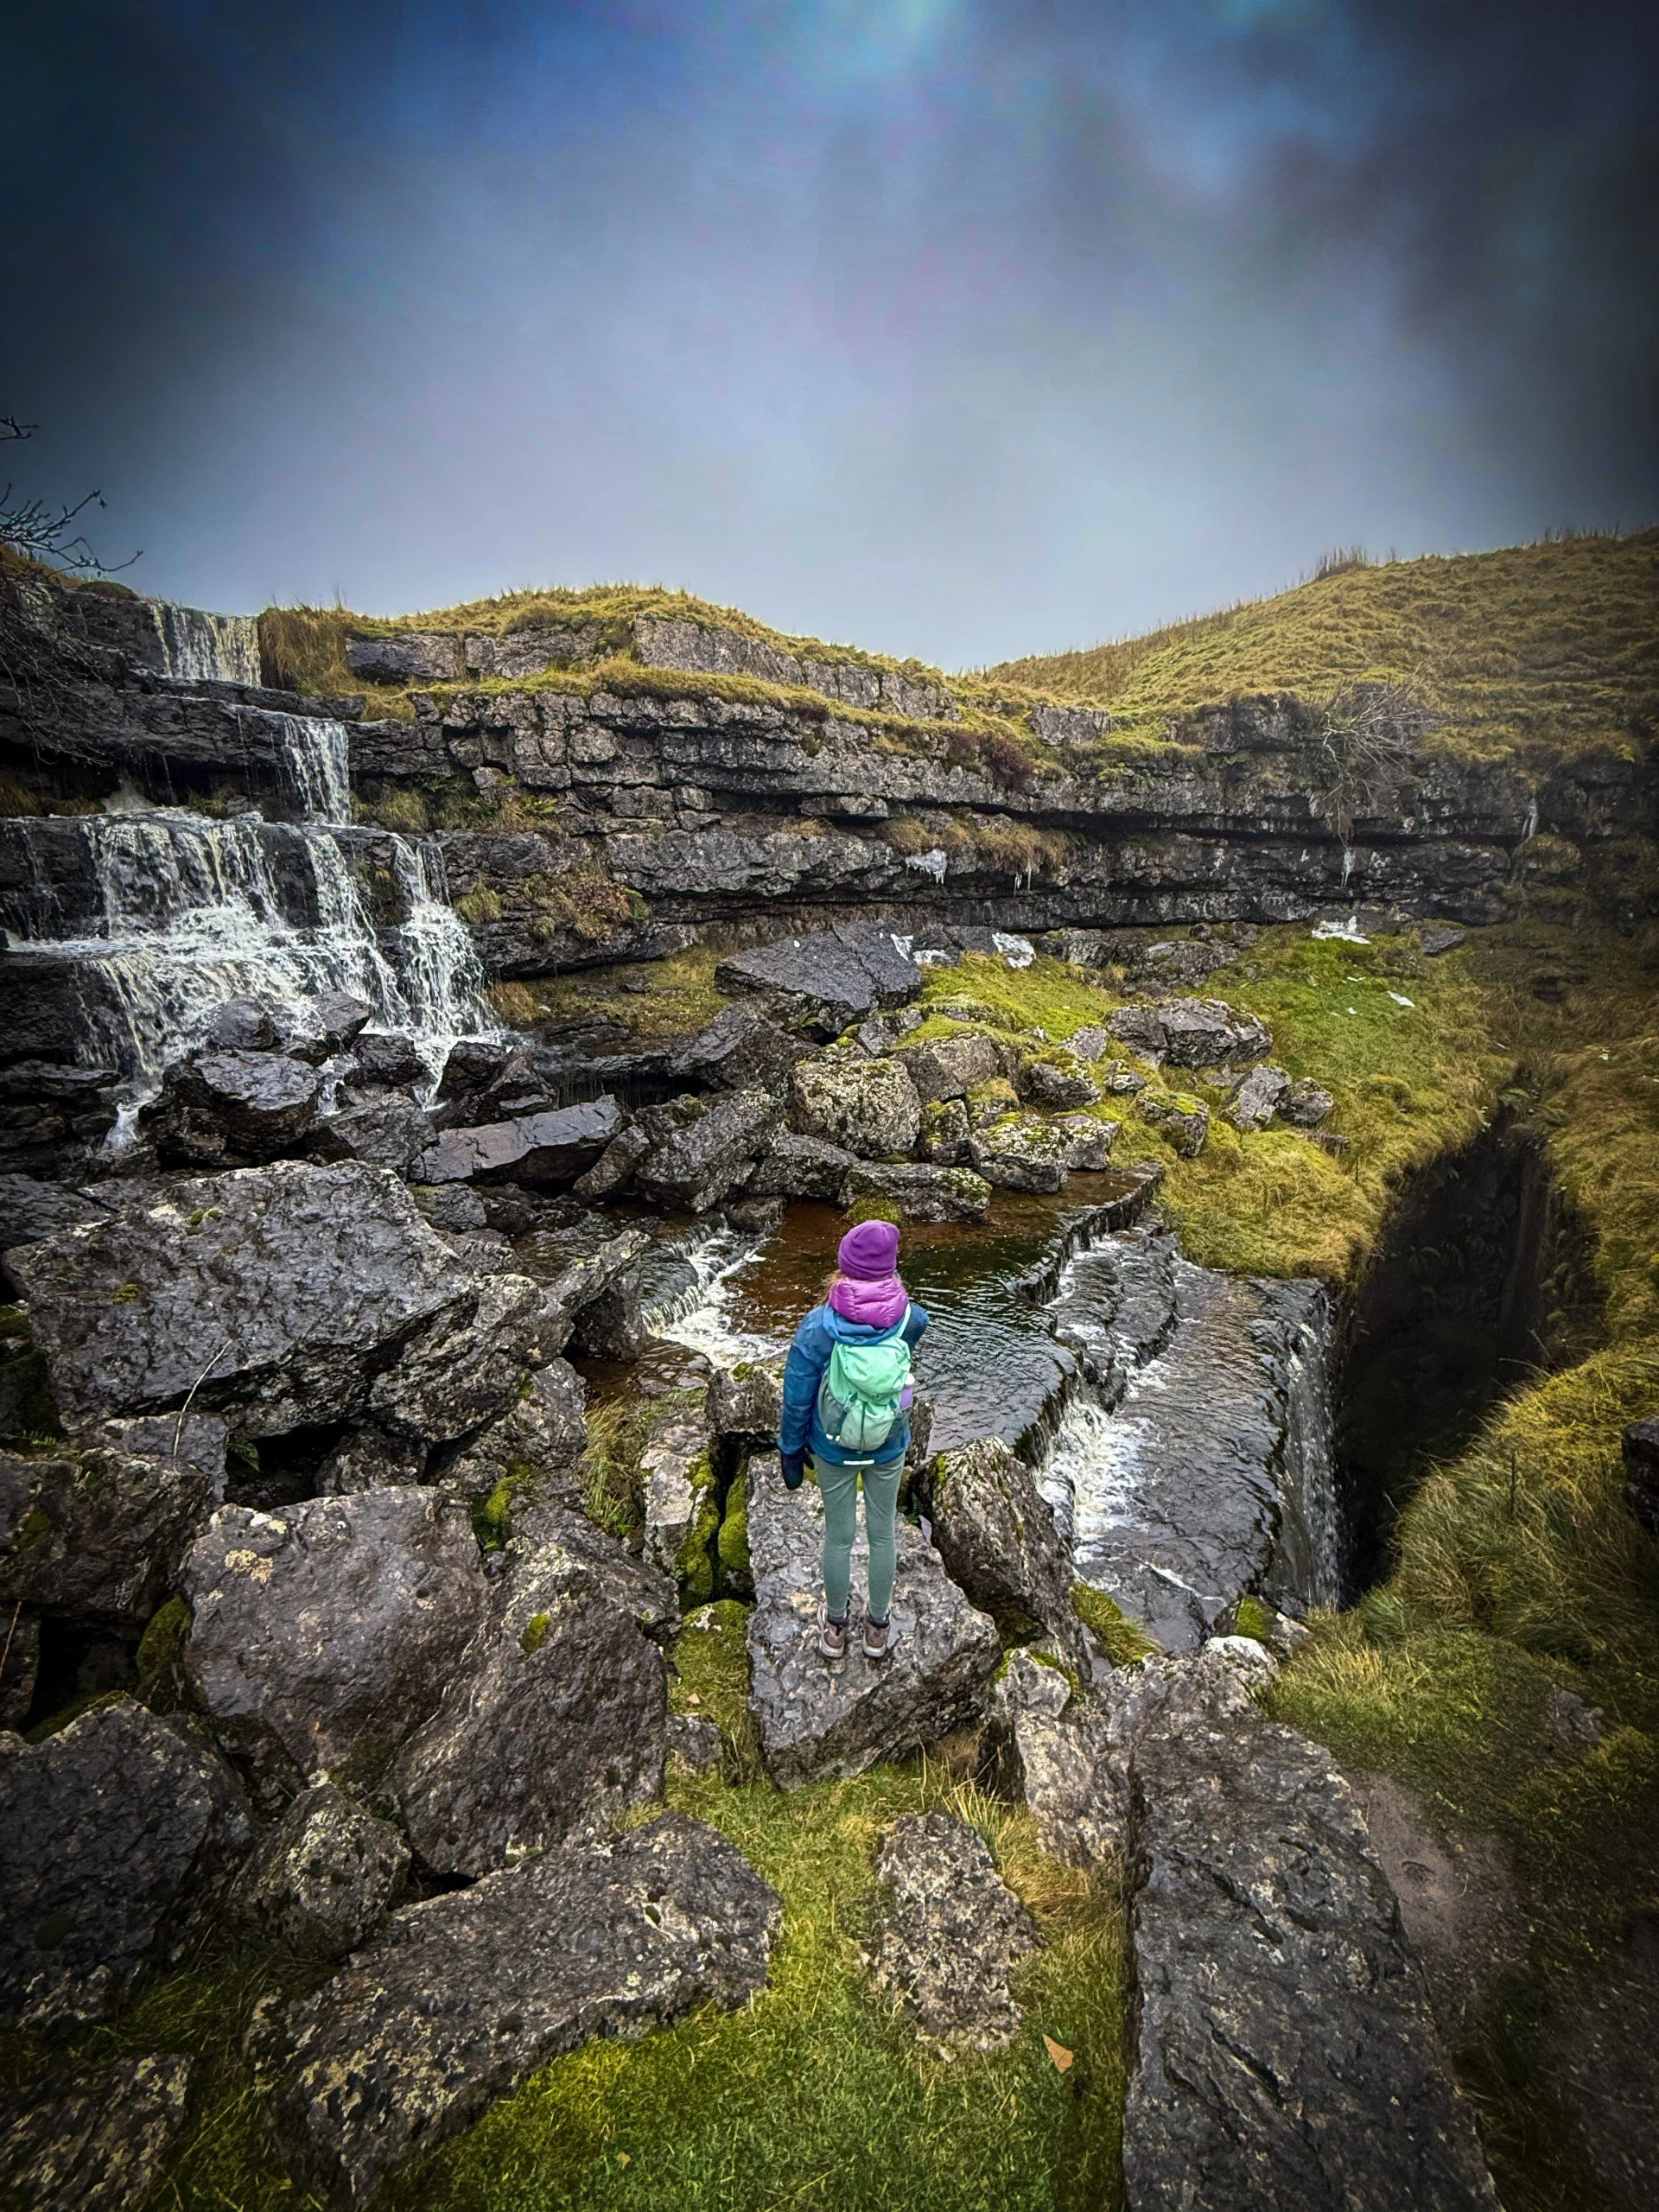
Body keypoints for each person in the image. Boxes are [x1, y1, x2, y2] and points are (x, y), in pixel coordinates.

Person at [777, 1218, 929, 1665]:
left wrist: (790, 1448)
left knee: (839, 1538)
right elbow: (903, 1378)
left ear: (843, 1267)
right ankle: (878, 1629)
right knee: (883, 1536)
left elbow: (797, 1395)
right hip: (888, 1444)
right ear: (892, 1269)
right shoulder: (911, 1319)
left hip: (832, 1446)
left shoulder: (818, 1327)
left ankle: (835, 1628)